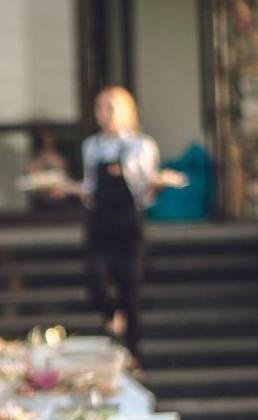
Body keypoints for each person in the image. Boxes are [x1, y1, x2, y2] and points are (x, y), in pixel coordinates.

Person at [79, 86, 162, 350]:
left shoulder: (141, 145)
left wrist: (152, 185)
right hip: (99, 221)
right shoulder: (91, 146)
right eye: (99, 108)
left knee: (130, 287)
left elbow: (144, 191)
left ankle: (134, 352)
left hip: (127, 222)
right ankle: (112, 314)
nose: (104, 114)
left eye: (110, 108)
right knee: (95, 279)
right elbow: (90, 187)